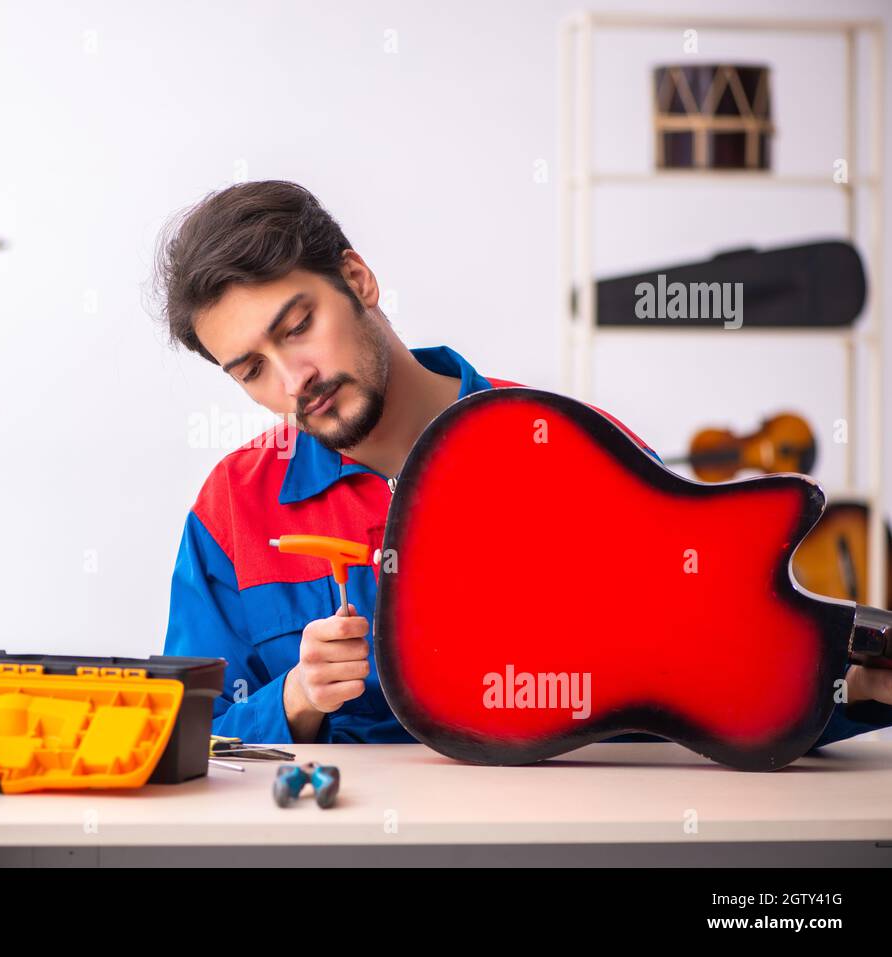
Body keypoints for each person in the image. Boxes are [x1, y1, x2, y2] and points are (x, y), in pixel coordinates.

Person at [152, 179, 892, 746]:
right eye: (250, 369)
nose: (292, 379)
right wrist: (294, 700)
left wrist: (850, 687)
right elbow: (189, 740)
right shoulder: (232, 511)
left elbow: (713, 684)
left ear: (358, 278)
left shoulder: (580, 448)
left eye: (298, 325)